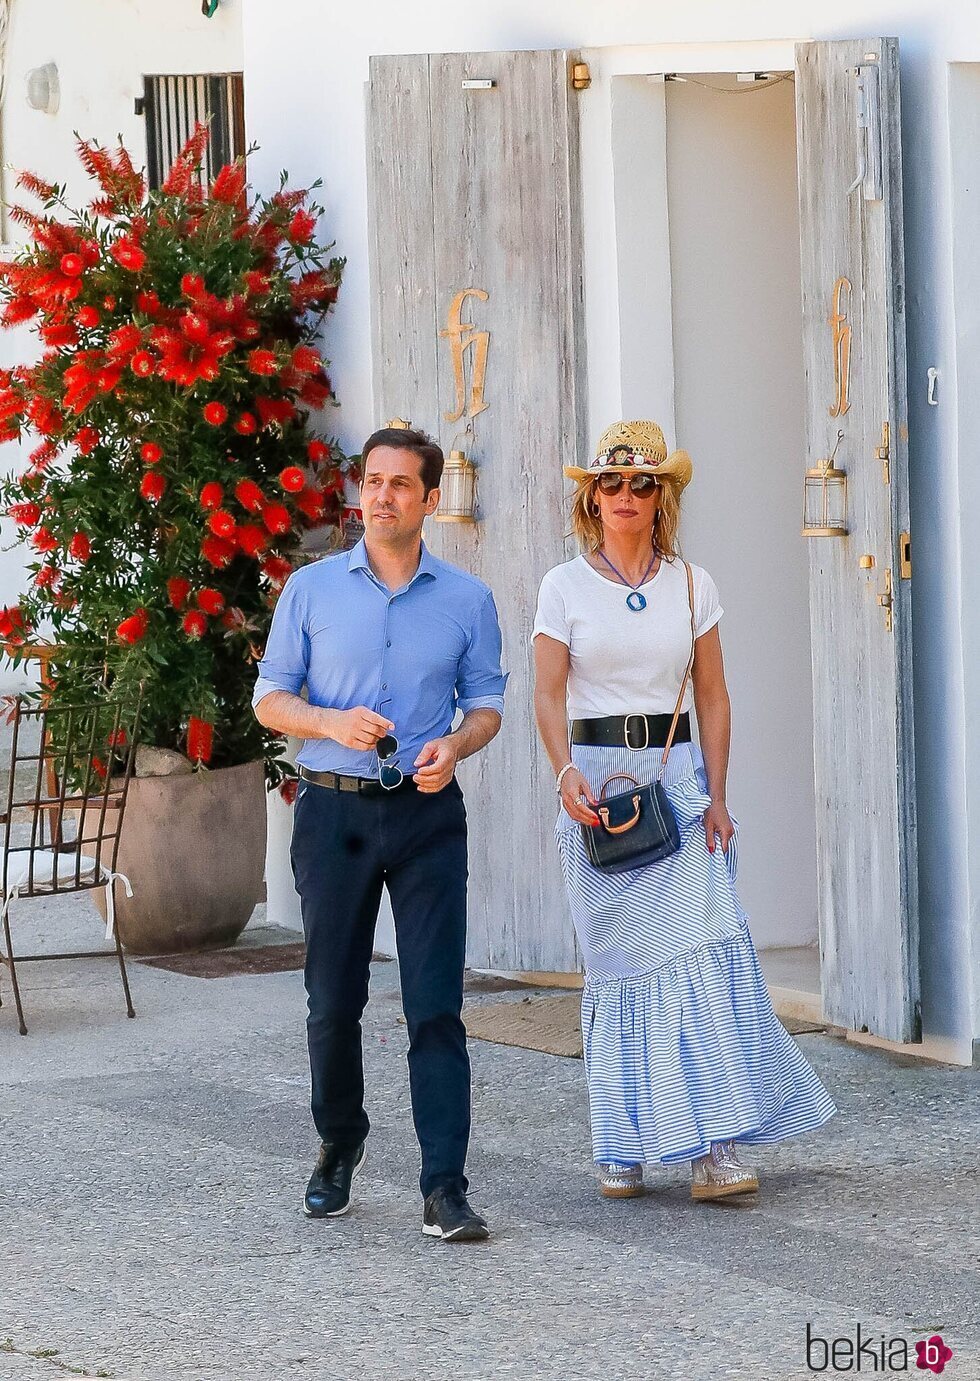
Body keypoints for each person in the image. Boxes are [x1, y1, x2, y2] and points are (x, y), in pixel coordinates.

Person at [532, 420, 835, 1201]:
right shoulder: (563, 586)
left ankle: (715, 1147)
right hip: (598, 790)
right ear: (590, 498)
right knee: (617, 971)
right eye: (610, 483)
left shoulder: (694, 584)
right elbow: (547, 691)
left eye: (641, 483)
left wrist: (720, 795)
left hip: (678, 785)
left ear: (661, 496)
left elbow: (713, 694)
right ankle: (623, 1144)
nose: (625, 496)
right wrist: (564, 771)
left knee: (706, 955)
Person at [253, 426, 506, 1241]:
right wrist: (328, 719)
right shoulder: (311, 591)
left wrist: (456, 746)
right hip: (333, 812)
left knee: (436, 1005)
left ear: (431, 500)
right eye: (373, 481)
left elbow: (488, 706)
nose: (383, 495)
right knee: (333, 999)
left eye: (401, 484)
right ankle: (339, 1141)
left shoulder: (468, 600)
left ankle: (445, 1186)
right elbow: (269, 698)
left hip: (428, 814)